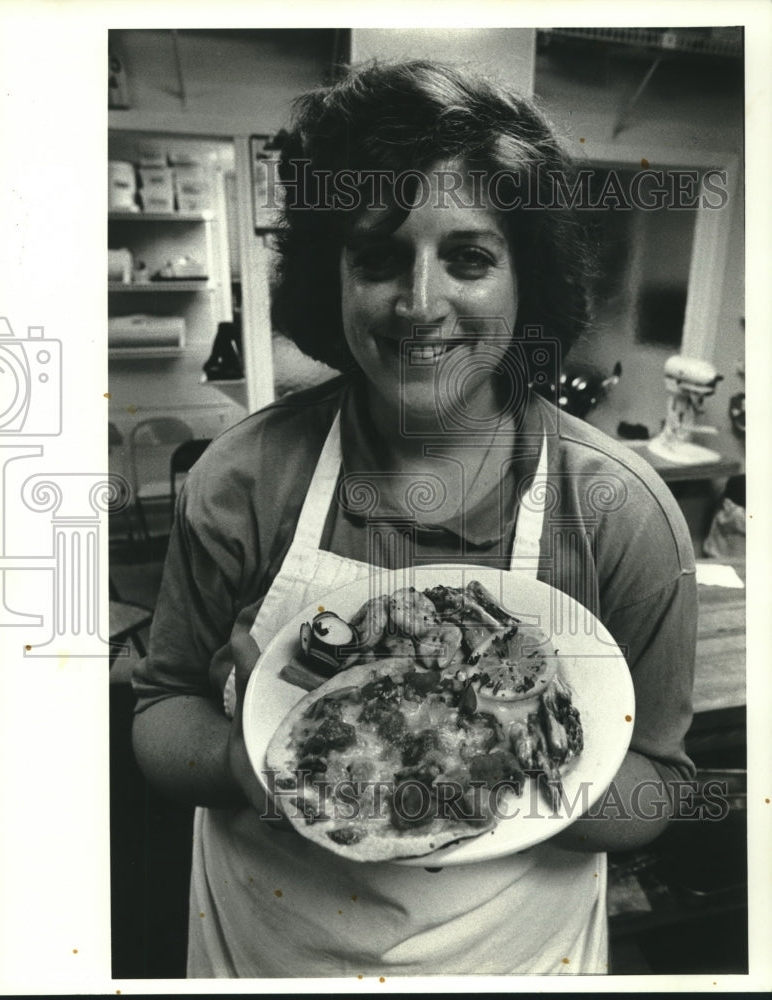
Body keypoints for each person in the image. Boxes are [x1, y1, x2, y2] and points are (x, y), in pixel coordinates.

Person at [132, 60, 697, 978]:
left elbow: (658, 790)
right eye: (380, 257)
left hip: (512, 958)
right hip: (271, 948)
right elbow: (161, 711)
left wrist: (512, 743)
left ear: (528, 279)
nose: (421, 303)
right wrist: (240, 764)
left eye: (469, 257)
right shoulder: (241, 478)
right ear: (331, 278)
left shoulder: (623, 515)